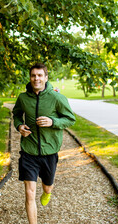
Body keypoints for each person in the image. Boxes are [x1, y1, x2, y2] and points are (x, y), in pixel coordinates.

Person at [12, 63, 76, 224]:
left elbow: (70, 119)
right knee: (29, 193)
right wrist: (19, 126)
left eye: (40, 75)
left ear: (46, 78)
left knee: (47, 187)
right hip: (29, 151)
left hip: (49, 152)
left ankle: (47, 192)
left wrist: (52, 121)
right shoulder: (23, 98)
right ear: (30, 78)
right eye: (33, 75)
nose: (36, 78)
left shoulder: (56, 98)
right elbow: (17, 114)